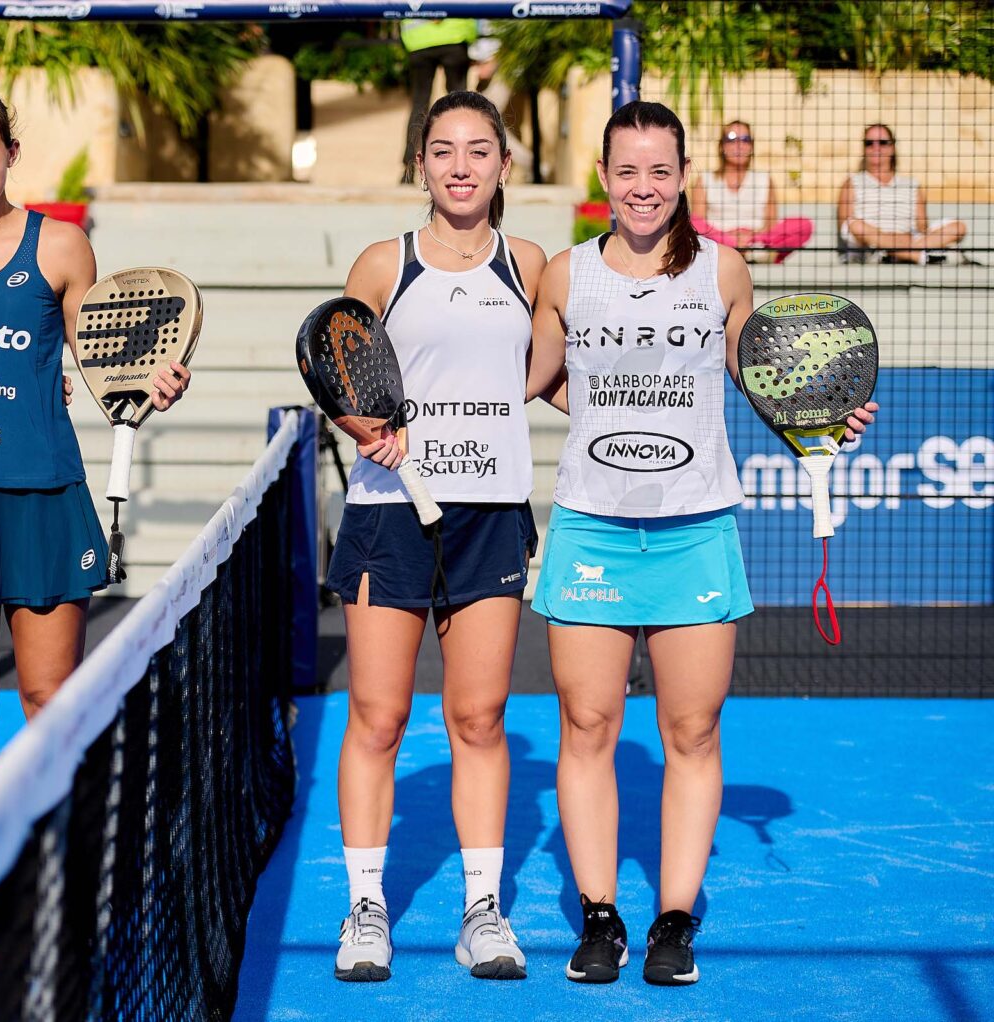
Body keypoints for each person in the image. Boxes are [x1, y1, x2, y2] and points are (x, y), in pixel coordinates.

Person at [526, 100, 876, 986]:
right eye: (627, 170)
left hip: (695, 531)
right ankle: (600, 919)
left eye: (660, 170)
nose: (643, 187)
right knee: (587, 725)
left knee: (691, 729)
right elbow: (529, 379)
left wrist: (822, 417)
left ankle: (674, 923)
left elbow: (759, 379)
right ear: (603, 178)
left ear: (683, 177)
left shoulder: (723, 270)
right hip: (593, 527)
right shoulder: (565, 276)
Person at [0, 86, 190, 814]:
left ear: (11, 153)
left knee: (49, 700)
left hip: (40, 497)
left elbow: (102, 362)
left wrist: (151, 384)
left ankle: (56, 870)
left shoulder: (59, 244)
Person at [326, 90, 545, 984]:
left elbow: (558, 376)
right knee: (378, 717)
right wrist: (363, 427)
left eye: (479, 150)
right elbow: (337, 367)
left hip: (491, 516)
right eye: (444, 150)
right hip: (389, 515)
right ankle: (365, 908)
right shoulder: (386, 262)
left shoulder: (530, 265)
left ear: (503, 165)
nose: (461, 166)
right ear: (420, 164)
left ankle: (482, 912)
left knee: (480, 718)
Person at [838, 123, 968, 264]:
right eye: (869, 143)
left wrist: (902, 240)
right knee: (855, 225)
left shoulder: (912, 185)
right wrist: (884, 237)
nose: (876, 147)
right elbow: (846, 226)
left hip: (909, 239)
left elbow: (922, 228)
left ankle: (896, 253)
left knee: (958, 227)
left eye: (882, 142)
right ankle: (915, 255)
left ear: (892, 147)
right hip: (869, 245)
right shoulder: (852, 182)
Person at [689, 120, 812, 263]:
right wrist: (729, 237)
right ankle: (739, 250)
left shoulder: (764, 179)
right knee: (691, 223)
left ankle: (751, 251)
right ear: (722, 146)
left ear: (751, 146)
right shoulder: (705, 179)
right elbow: (698, 221)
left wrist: (752, 236)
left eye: (745, 139)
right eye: (732, 139)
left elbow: (771, 223)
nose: (739, 145)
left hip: (757, 241)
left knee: (804, 225)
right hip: (718, 240)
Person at [399, 18, 477, 184]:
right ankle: (466, 163)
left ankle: (408, 170)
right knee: (460, 106)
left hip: (419, 38)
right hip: (455, 35)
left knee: (419, 106)